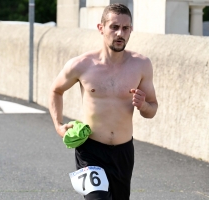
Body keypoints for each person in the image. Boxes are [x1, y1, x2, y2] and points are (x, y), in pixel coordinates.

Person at [49, 3, 158, 200]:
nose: (120, 33)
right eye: (114, 27)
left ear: (131, 30)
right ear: (101, 28)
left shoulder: (141, 65)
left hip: (123, 152)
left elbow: (152, 109)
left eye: (125, 28)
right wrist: (58, 125)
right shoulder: (82, 64)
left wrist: (143, 105)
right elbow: (56, 90)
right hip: (90, 150)